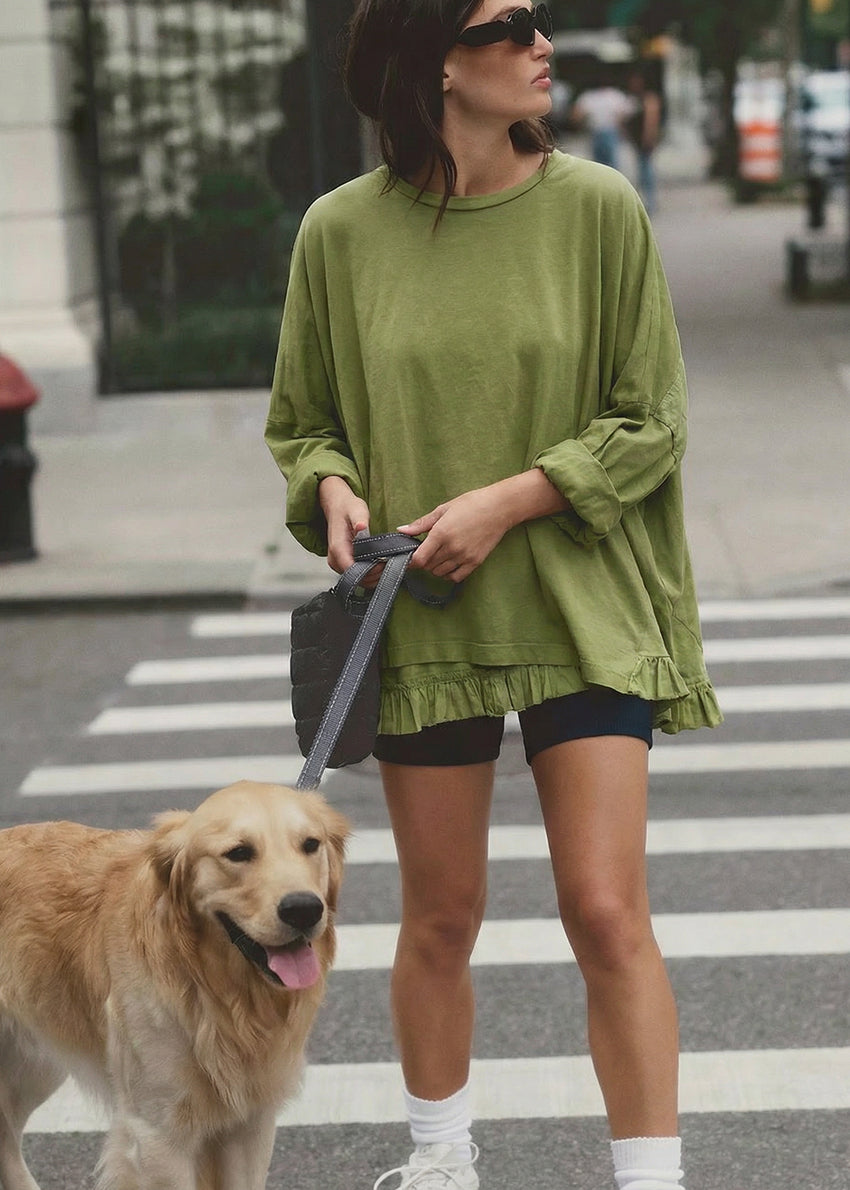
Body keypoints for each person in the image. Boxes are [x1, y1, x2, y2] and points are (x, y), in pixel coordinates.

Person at [265, 3, 722, 1188]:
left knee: (606, 908)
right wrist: (332, 491)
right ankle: (439, 1159)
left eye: (538, 19)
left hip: (581, 602)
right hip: (421, 612)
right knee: (442, 914)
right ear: (434, 64)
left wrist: (510, 498)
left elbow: (650, 419)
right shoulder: (340, 232)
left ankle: (650, 1177)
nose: (541, 41)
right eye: (509, 23)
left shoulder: (596, 209)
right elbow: (304, 421)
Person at [570, 74, 636, 171]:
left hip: (596, 130)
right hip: (610, 130)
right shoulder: (615, 95)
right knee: (612, 161)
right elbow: (625, 113)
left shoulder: (589, 96)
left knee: (598, 163)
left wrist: (581, 125)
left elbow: (576, 114)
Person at [625, 68, 663, 217]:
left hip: (644, 139)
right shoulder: (636, 99)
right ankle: (648, 200)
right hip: (637, 139)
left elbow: (651, 120)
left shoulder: (649, 98)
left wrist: (649, 137)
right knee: (643, 168)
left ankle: (650, 201)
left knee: (646, 170)